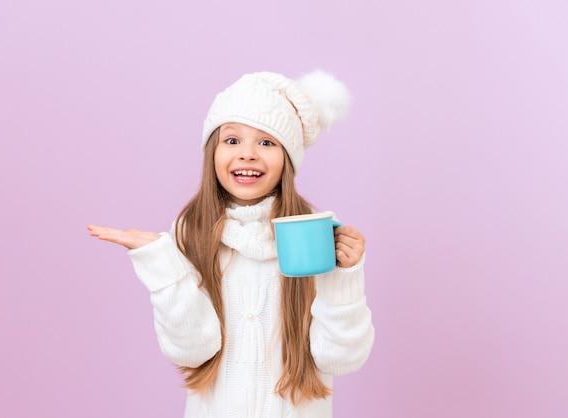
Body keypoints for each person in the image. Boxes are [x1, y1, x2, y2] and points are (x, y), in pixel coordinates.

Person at [87, 70, 375, 417]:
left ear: (287, 158)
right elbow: (191, 350)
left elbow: (341, 359)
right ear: (212, 153)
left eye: (266, 142)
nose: (248, 154)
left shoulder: (312, 234)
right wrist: (162, 263)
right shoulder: (192, 231)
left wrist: (344, 279)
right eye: (232, 140)